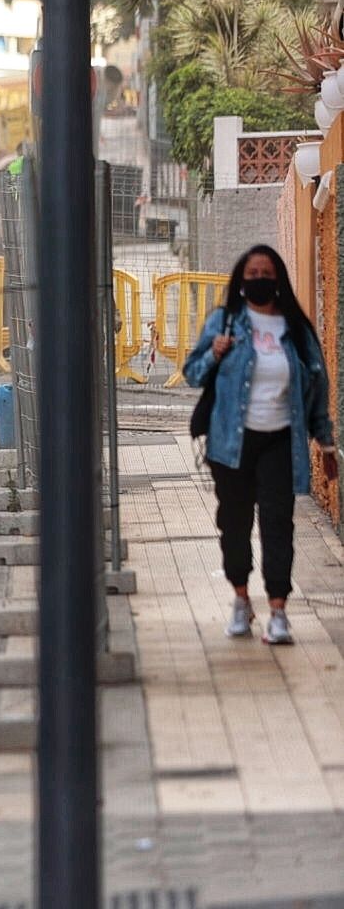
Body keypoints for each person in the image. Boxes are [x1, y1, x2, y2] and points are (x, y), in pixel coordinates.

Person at [184, 245, 337, 645]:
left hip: (280, 443)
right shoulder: (225, 322)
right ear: (241, 279)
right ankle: (240, 600)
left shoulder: (295, 329)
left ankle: (279, 610)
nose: (258, 279)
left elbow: (317, 387)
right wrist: (213, 354)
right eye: (252, 273)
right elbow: (193, 374)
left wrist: (325, 441)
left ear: (278, 278)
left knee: (277, 526)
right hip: (230, 444)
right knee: (234, 524)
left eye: (266, 272)